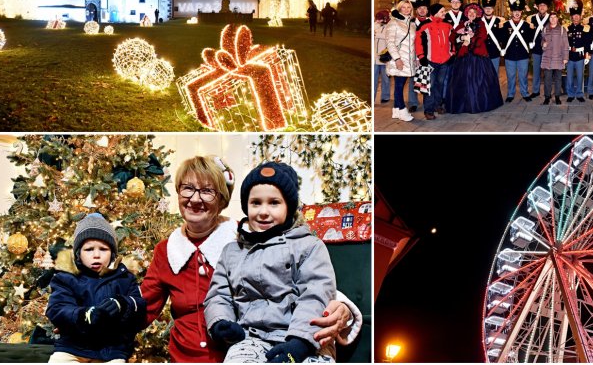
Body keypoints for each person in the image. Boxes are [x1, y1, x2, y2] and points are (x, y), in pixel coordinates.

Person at [141, 156, 361, 362]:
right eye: (187, 188)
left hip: (296, 339)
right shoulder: (221, 249)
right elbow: (216, 296)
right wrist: (220, 323)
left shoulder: (295, 243)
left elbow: (315, 288)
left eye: (207, 191)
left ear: (222, 199)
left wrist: (335, 315)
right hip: (240, 344)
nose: (195, 198)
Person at [204, 162, 335, 363]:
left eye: (274, 202)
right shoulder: (231, 251)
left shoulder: (309, 246)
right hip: (250, 338)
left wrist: (300, 343)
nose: (263, 211)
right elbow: (218, 295)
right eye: (256, 203)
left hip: (303, 339)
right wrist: (221, 322)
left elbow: (315, 294)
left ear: (289, 207)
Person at [46, 213, 147, 363]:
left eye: (103, 249)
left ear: (113, 253)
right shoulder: (66, 278)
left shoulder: (125, 278)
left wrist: (122, 304)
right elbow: (57, 308)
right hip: (73, 348)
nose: (96, 255)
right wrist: (83, 315)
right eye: (89, 249)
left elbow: (140, 307)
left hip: (112, 351)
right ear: (78, 253)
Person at [445, 3, 503, 113]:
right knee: (461, 81)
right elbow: (452, 37)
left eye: (474, 13)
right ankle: (463, 105)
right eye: (469, 12)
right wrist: (461, 37)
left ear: (477, 14)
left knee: (480, 81)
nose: (471, 14)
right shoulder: (462, 24)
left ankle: (479, 103)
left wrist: (471, 40)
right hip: (463, 57)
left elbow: (483, 37)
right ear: (466, 13)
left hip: (478, 56)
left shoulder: (481, 24)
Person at [414, 3, 453, 120]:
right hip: (430, 61)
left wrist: (452, 53)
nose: (444, 13)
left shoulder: (447, 25)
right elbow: (418, 42)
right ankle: (429, 110)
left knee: (440, 85)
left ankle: (437, 105)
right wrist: (421, 57)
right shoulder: (425, 25)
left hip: (444, 61)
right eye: (442, 11)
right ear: (435, 12)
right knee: (428, 86)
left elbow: (452, 40)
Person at [384, 0, 417, 122]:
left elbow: (413, 44)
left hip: (409, 59)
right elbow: (390, 42)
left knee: (401, 85)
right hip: (398, 59)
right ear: (399, 9)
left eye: (409, 7)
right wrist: (397, 59)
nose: (407, 9)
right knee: (399, 86)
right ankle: (402, 110)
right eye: (404, 7)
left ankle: (396, 111)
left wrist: (416, 58)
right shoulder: (394, 22)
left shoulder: (412, 23)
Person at [500, 0, 534, 103]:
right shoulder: (505, 25)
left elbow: (530, 39)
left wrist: (532, 29)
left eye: (519, 11)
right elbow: (503, 39)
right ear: (511, 12)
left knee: (523, 76)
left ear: (521, 12)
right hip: (510, 55)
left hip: (522, 55)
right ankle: (510, 94)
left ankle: (525, 93)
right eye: (515, 11)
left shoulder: (527, 25)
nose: (517, 13)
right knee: (511, 77)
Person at [407, 0, 431, 112]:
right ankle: (413, 102)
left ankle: (429, 103)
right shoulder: (410, 23)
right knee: (413, 80)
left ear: (427, 10)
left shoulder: (432, 23)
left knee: (428, 79)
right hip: (413, 56)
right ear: (416, 10)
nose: (422, 10)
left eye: (424, 8)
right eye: (419, 8)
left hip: (429, 56)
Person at [527, 0, 552, 99]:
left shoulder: (552, 18)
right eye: (540, 5)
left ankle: (548, 92)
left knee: (548, 72)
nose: (542, 7)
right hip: (536, 49)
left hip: (548, 50)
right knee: (536, 71)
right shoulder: (531, 19)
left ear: (547, 7)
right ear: (537, 6)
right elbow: (529, 34)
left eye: (544, 5)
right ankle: (536, 91)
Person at [540, 12, 569, 105]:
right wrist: (543, 44)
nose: (553, 19)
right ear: (549, 19)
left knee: (558, 79)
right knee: (547, 79)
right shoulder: (545, 29)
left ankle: (557, 96)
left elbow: (565, 44)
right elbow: (542, 41)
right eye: (551, 17)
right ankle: (547, 97)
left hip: (558, 58)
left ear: (557, 19)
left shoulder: (562, 29)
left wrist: (565, 58)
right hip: (548, 58)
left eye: (554, 17)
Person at [565, 0, 588, 103]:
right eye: (574, 15)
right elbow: (564, 43)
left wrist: (587, 55)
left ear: (580, 16)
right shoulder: (566, 28)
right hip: (569, 56)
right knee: (569, 77)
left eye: (578, 15)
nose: (576, 17)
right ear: (571, 17)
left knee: (580, 77)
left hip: (579, 56)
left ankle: (579, 94)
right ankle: (570, 94)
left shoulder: (584, 29)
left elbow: (587, 43)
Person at [479, 0, 506, 76]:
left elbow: (503, 37)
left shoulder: (499, 21)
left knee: (494, 75)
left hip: (495, 52)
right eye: (486, 7)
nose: (488, 9)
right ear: (483, 8)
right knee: (482, 75)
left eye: (490, 7)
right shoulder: (479, 21)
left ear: (493, 9)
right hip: (482, 53)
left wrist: (503, 48)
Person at [373, 9, 391, 105]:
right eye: (377, 18)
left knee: (385, 78)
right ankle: (373, 96)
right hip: (375, 56)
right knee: (374, 78)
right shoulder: (376, 25)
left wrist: (377, 34)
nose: (378, 20)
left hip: (385, 56)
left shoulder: (389, 26)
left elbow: (389, 37)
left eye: (380, 18)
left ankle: (385, 96)